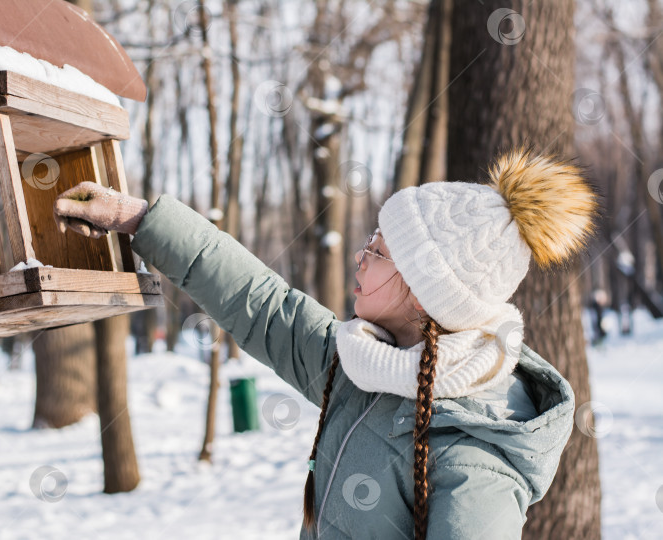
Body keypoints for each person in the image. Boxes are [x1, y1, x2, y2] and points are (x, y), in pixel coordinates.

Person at [52, 147, 599, 539]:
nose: (361, 257)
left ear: (424, 292)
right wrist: (139, 218)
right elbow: (262, 302)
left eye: (379, 251)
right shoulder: (366, 367)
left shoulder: (476, 463)